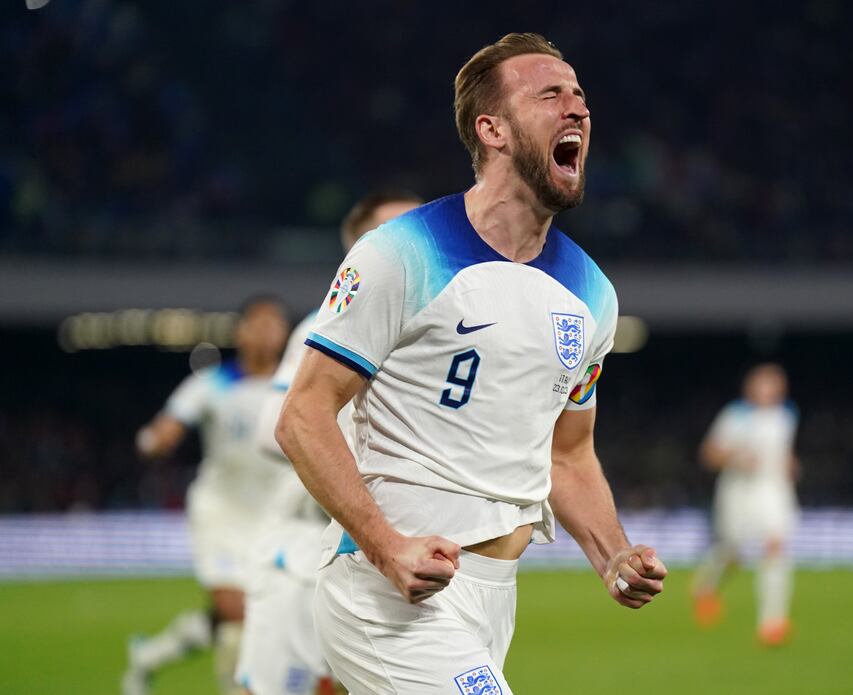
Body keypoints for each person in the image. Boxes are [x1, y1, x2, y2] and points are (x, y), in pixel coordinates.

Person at [276, 33, 667, 694]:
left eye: (580, 97)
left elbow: (568, 454)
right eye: (551, 95)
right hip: (386, 590)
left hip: (491, 598)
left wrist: (612, 552)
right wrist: (385, 544)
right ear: (493, 130)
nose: (577, 110)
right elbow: (303, 414)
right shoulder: (401, 252)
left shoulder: (593, 293)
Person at [235, 190, 422, 695]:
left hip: (372, 550)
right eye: (394, 233)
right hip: (299, 550)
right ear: (359, 250)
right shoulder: (328, 326)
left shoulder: (430, 337)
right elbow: (275, 430)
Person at [122, 297, 291, 695]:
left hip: (275, 516)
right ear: (241, 332)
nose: (267, 331)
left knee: (255, 616)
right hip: (222, 513)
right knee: (237, 612)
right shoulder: (212, 383)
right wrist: (154, 441)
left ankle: (151, 656)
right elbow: (169, 425)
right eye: (259, 323)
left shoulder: (296, 383)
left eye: (275, 323)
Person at [691, 363, 800, 646]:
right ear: (751, 387)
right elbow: (709, 454)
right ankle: (705, 586)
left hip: (773, 490)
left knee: (776, 546)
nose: (769, 390)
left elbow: (783, 452)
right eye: (763, 384)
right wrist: (738, 459)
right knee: (733, 551)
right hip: (738, 490)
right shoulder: (735, 415)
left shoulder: (786, 416)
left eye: (774, 384)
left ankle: (773, 622)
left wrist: (790, 465)